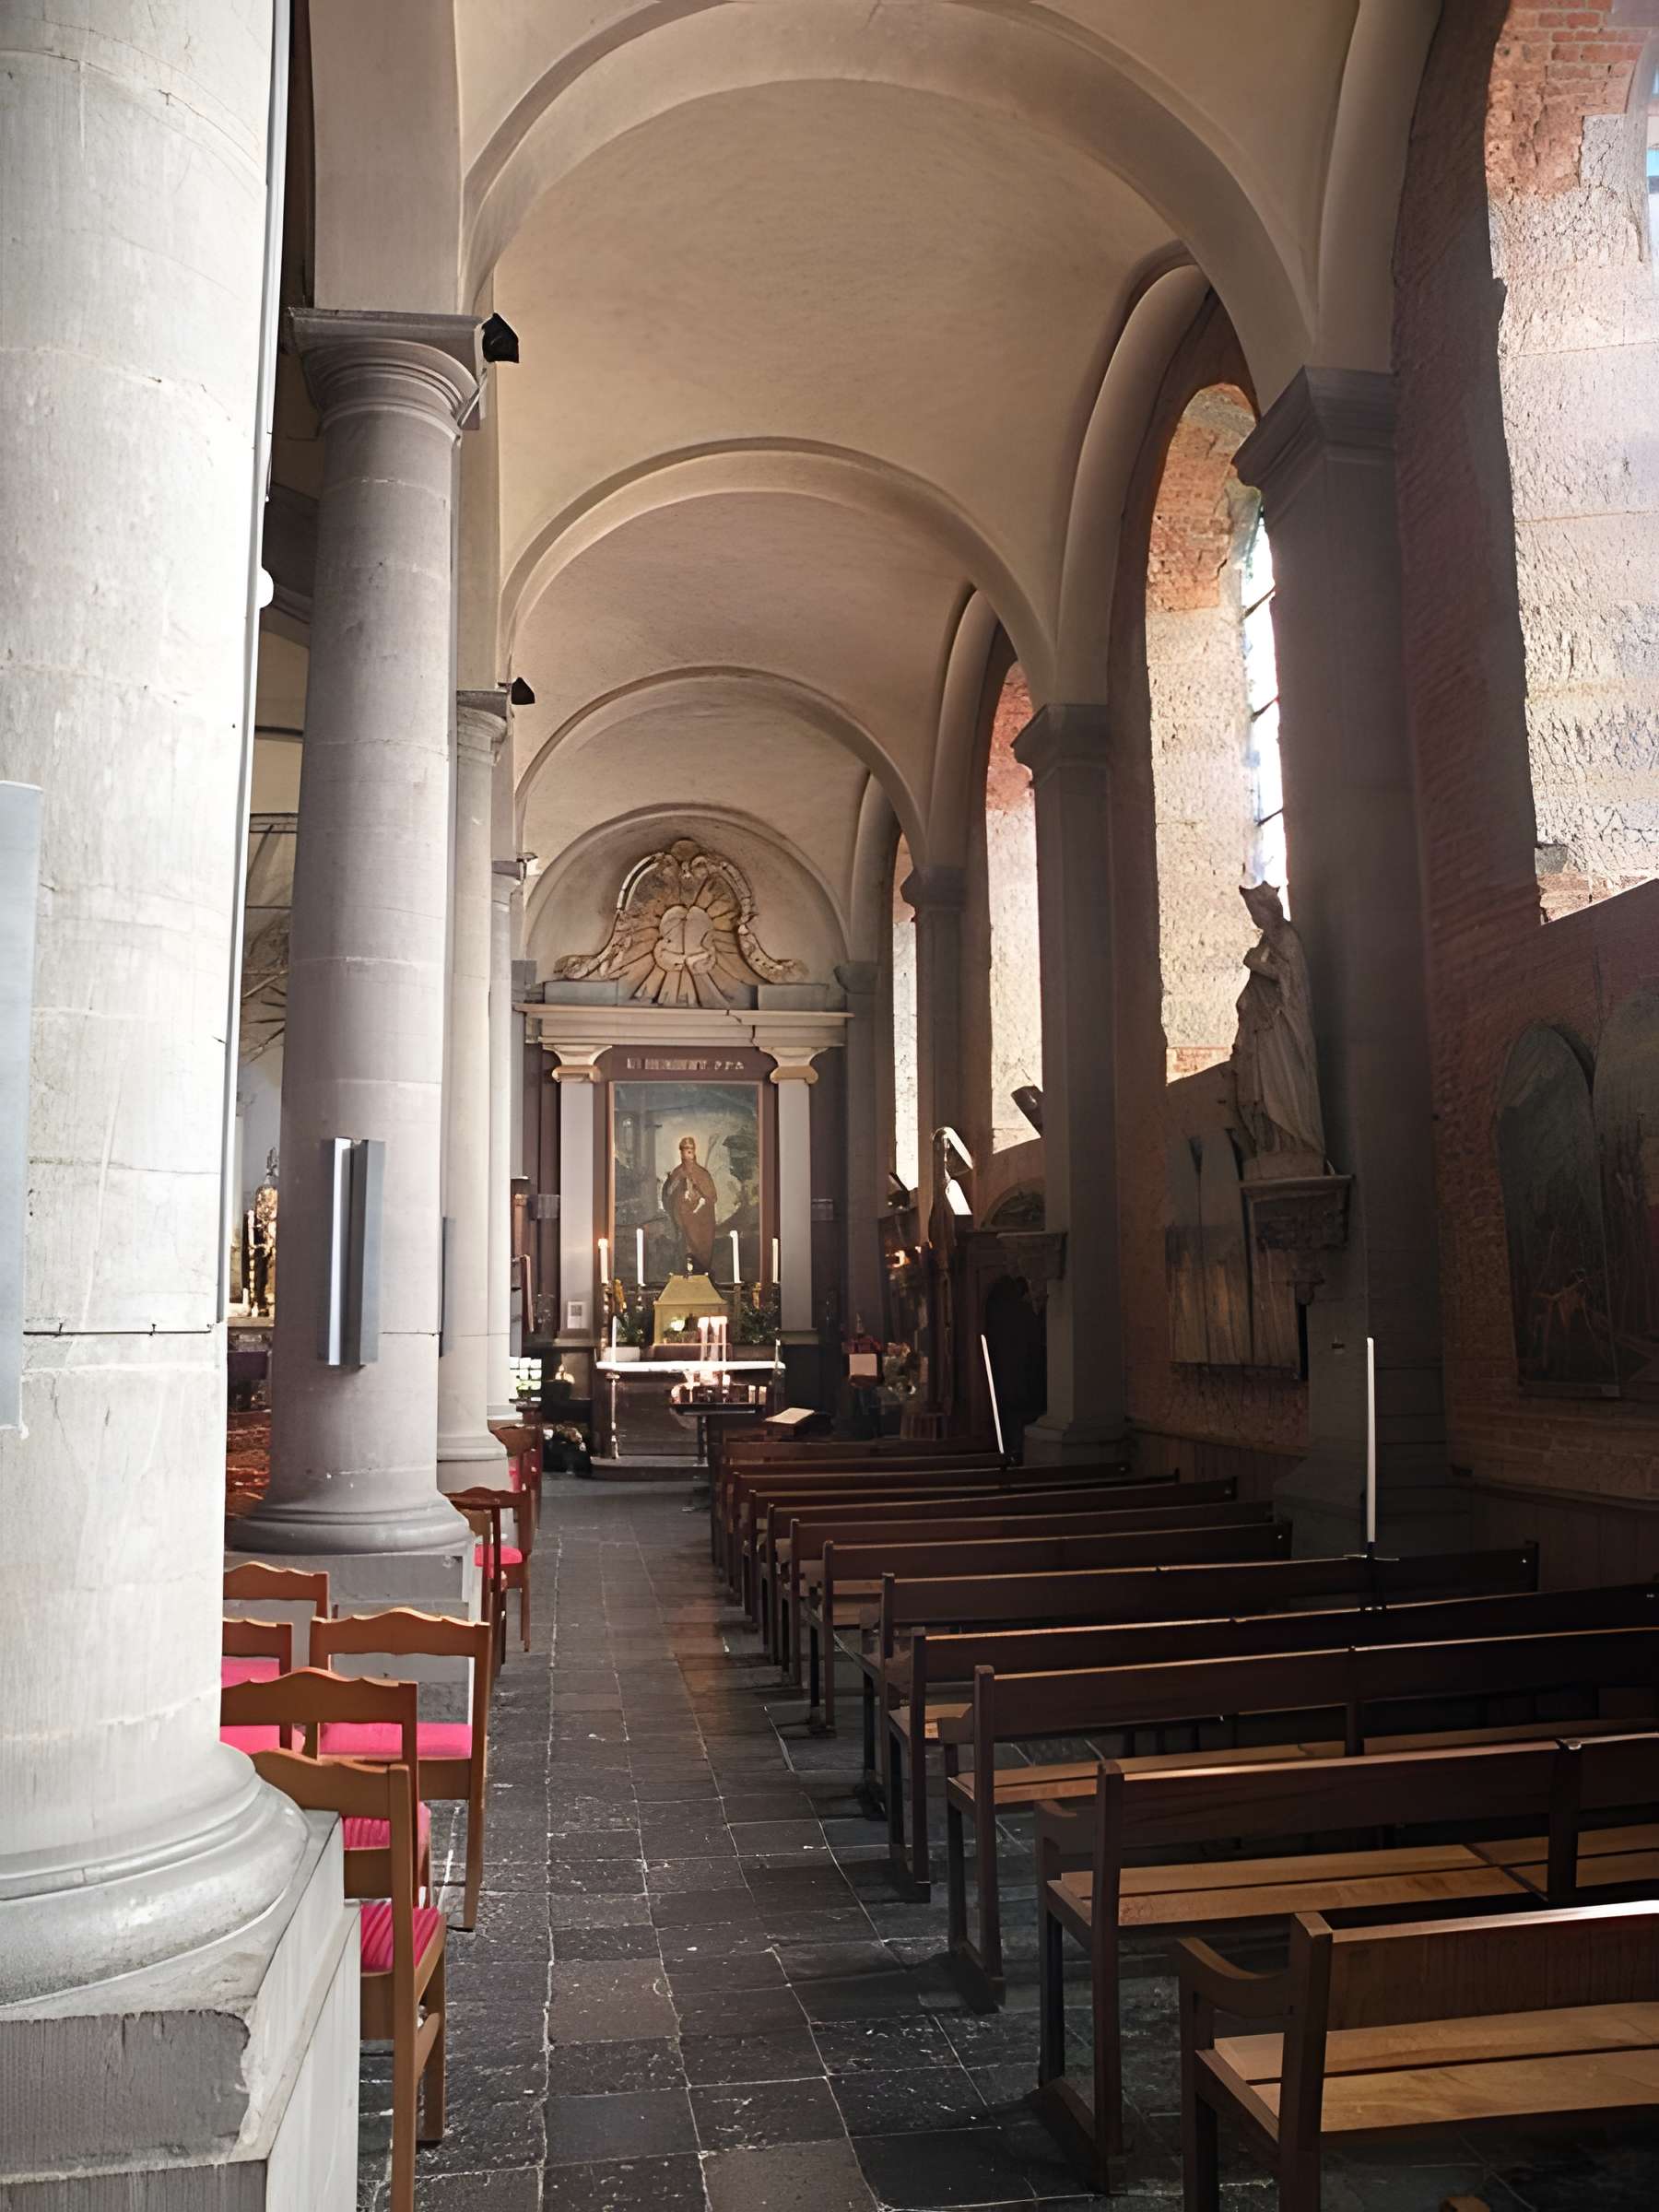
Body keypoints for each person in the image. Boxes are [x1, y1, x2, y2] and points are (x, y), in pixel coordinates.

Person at [663, 1135, 718, 1274]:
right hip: (682, 1220)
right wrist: (681, 1195)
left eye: (691, 1148)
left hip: (700, 1223)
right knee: (684, 1251)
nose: (689, 1151)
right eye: (686, 1148)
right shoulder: (677, 1173)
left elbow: (711, 1196)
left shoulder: (702, 1174)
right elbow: (668, 1194)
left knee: (700, 1256)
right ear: (681, 1151)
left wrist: (700, 1199)